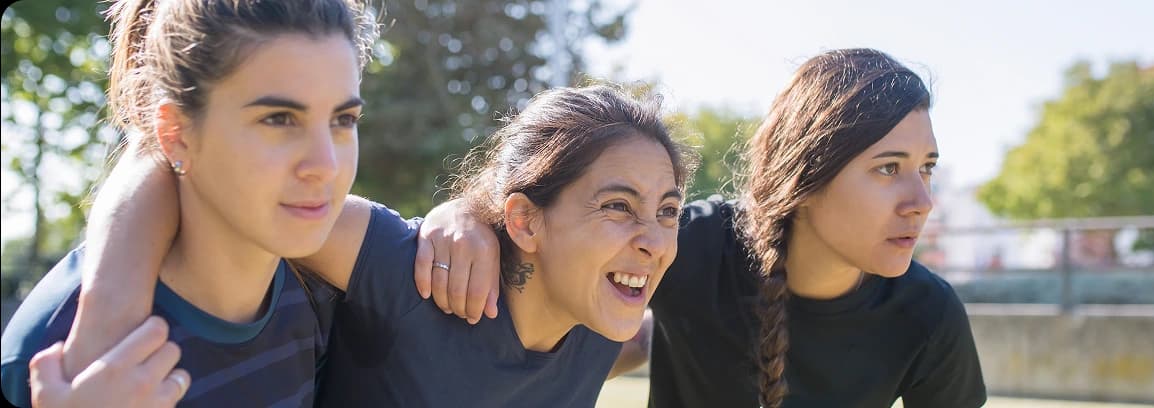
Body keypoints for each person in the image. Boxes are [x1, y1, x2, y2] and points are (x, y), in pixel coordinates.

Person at [32, 84, 696, 406]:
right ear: (523, 222)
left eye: (667, 211)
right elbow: (187, 167)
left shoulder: (609, 326)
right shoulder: (405, 269)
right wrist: (106, 313)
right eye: (618, 207)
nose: (652, 241)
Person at [416, 48, 987, 407]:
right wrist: (462, 214)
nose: (922, 201)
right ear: (807, 175)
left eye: (926, 169)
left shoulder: (928, 314)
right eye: (888, 169)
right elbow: (556, 254)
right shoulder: (691, 243)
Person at [0, 0, 378, 406]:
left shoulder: (318, 301)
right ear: (175, 132)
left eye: (343, 120)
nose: (325, 166)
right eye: (279, 119)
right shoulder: (58, 358)